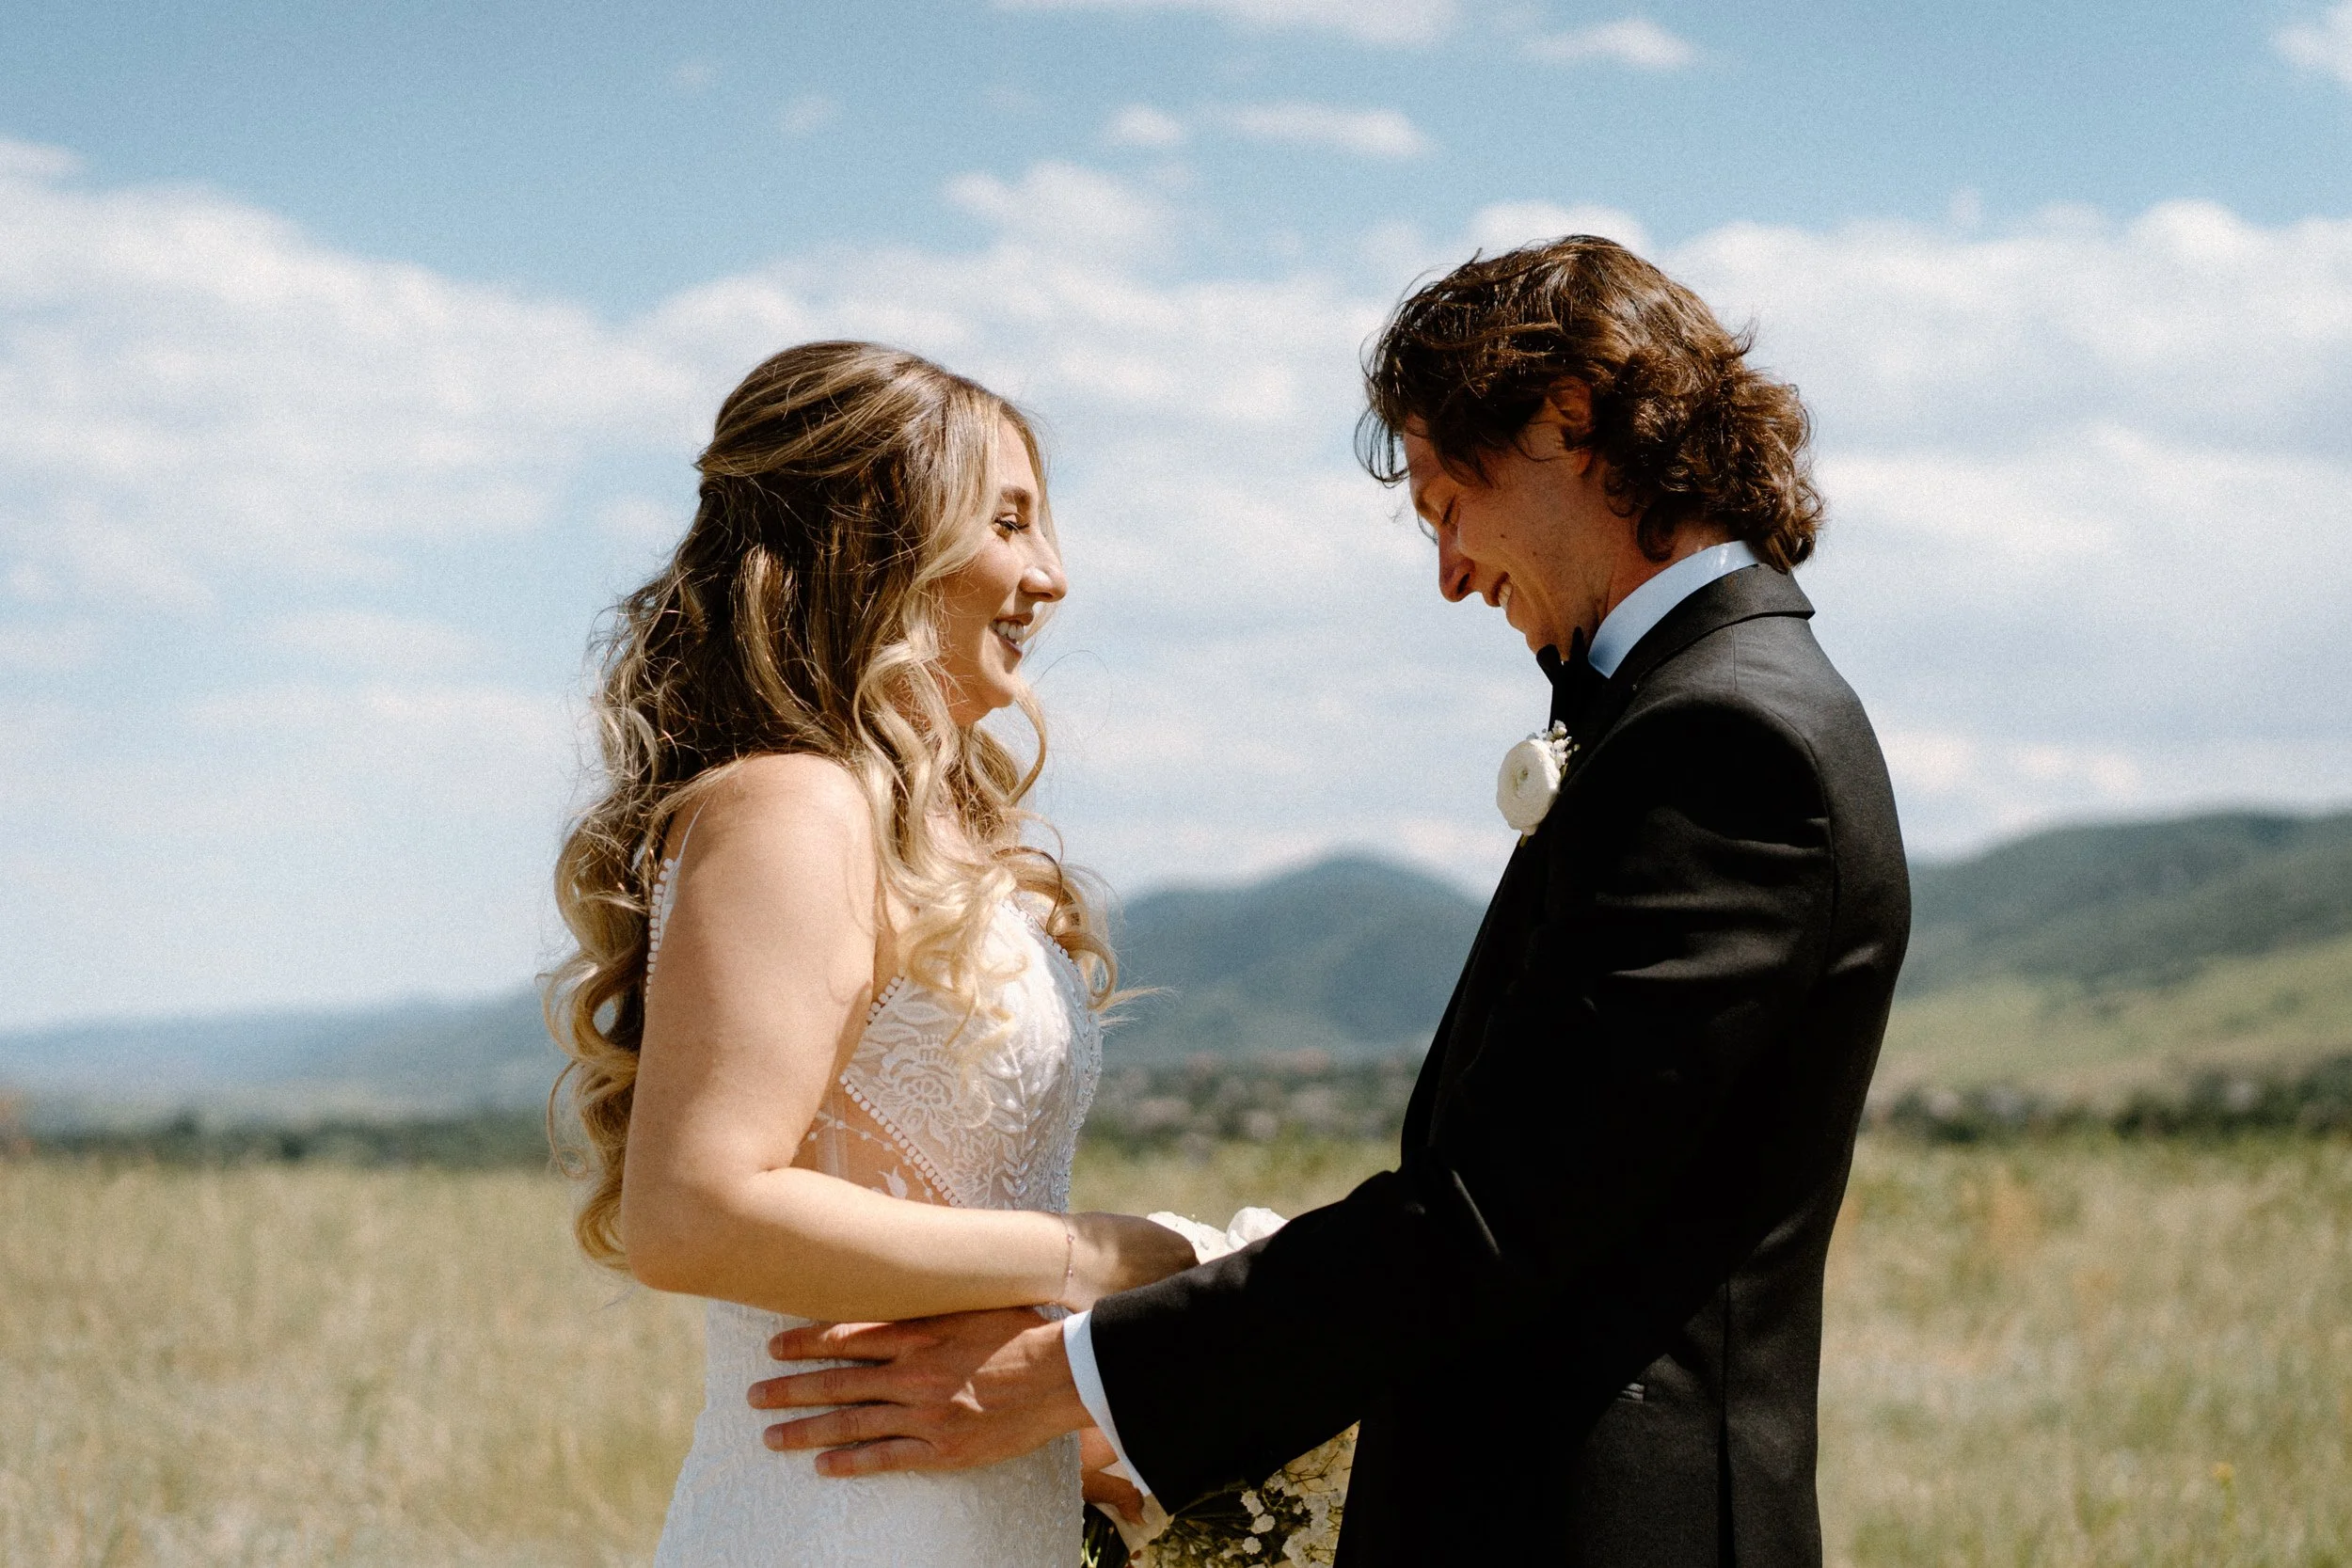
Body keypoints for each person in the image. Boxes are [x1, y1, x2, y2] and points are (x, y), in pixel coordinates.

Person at [747, 236, 1914, 1568]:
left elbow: (1490, 1216)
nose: (1451, 571)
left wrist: (1072, 1374)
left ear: (1567, 419)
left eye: (1444, 501)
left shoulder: (1726, 741)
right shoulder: (1700, 713)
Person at [547, 341, 1198, 1567]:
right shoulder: (792, 806)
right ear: (877, 540)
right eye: (1009, 521)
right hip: (841, 1519)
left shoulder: (907, 824)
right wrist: (1090, 1259)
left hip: (969, 1494)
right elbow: (691, 1211)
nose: (1050, 576)